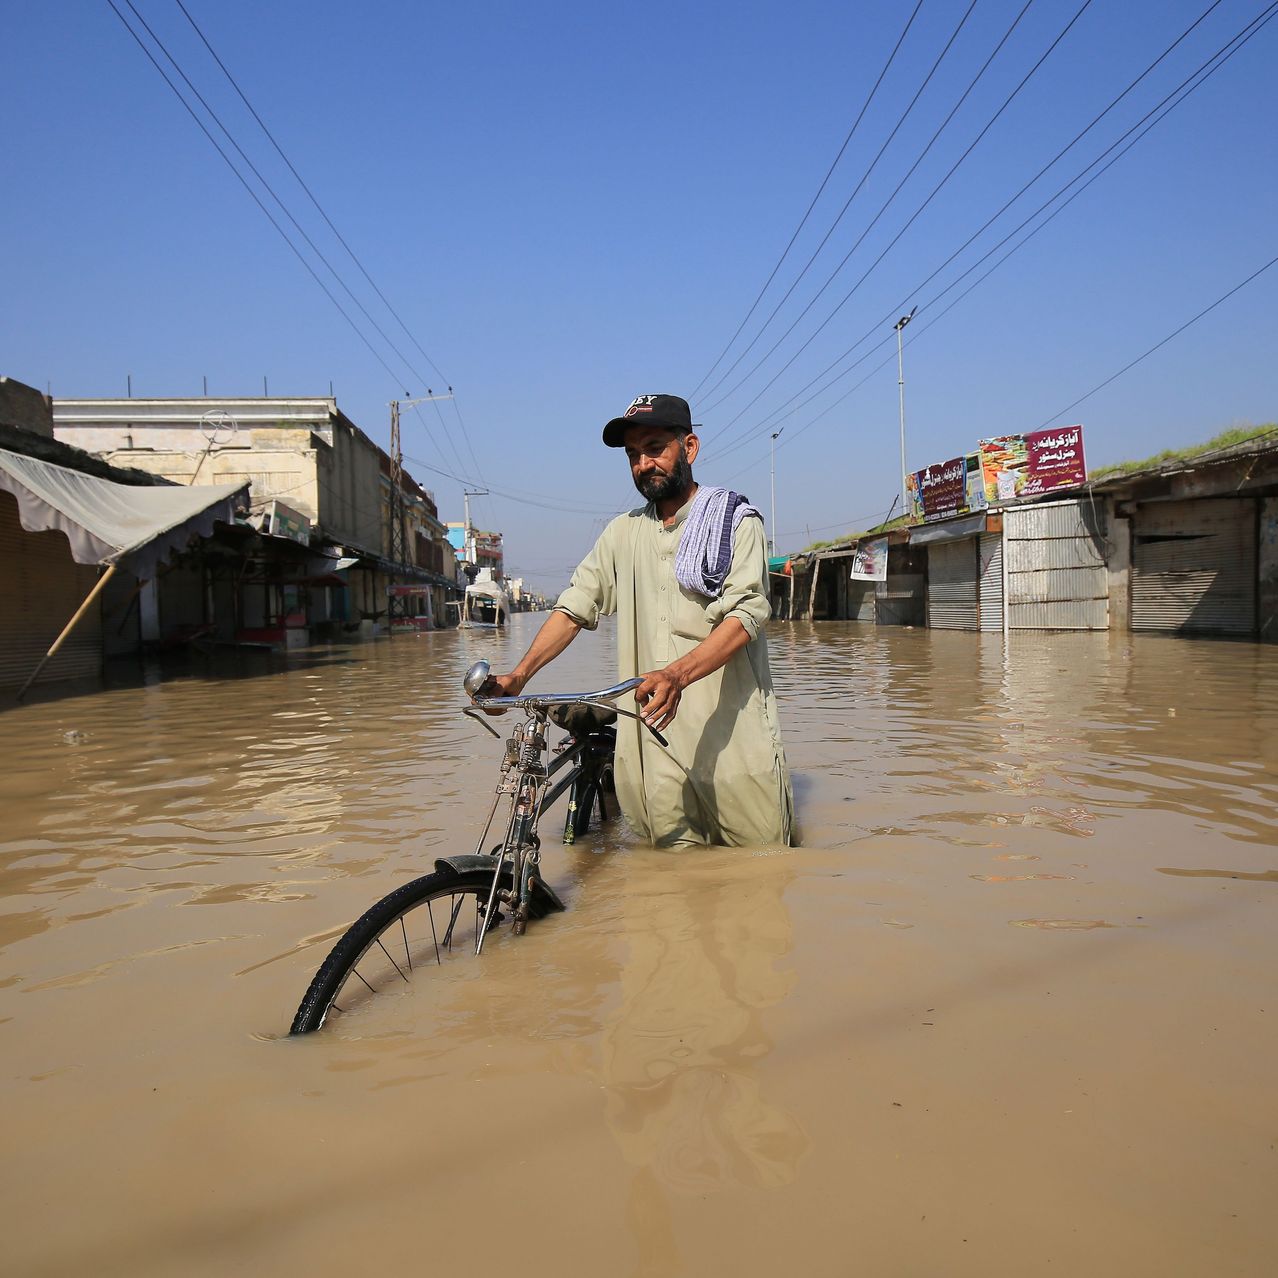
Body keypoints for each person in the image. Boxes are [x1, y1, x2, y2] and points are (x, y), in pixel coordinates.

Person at [480, 393, 793, 848]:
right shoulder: (621, 534)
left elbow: (747, 616)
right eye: (632, 455)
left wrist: (675, 674)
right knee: (664, 894)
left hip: (735, 749)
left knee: (758, 885)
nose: (643, 464)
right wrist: (518, 676)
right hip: (654, 753)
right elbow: (574, 607)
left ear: (689, 448)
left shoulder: (735, 524)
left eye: (654, 448)